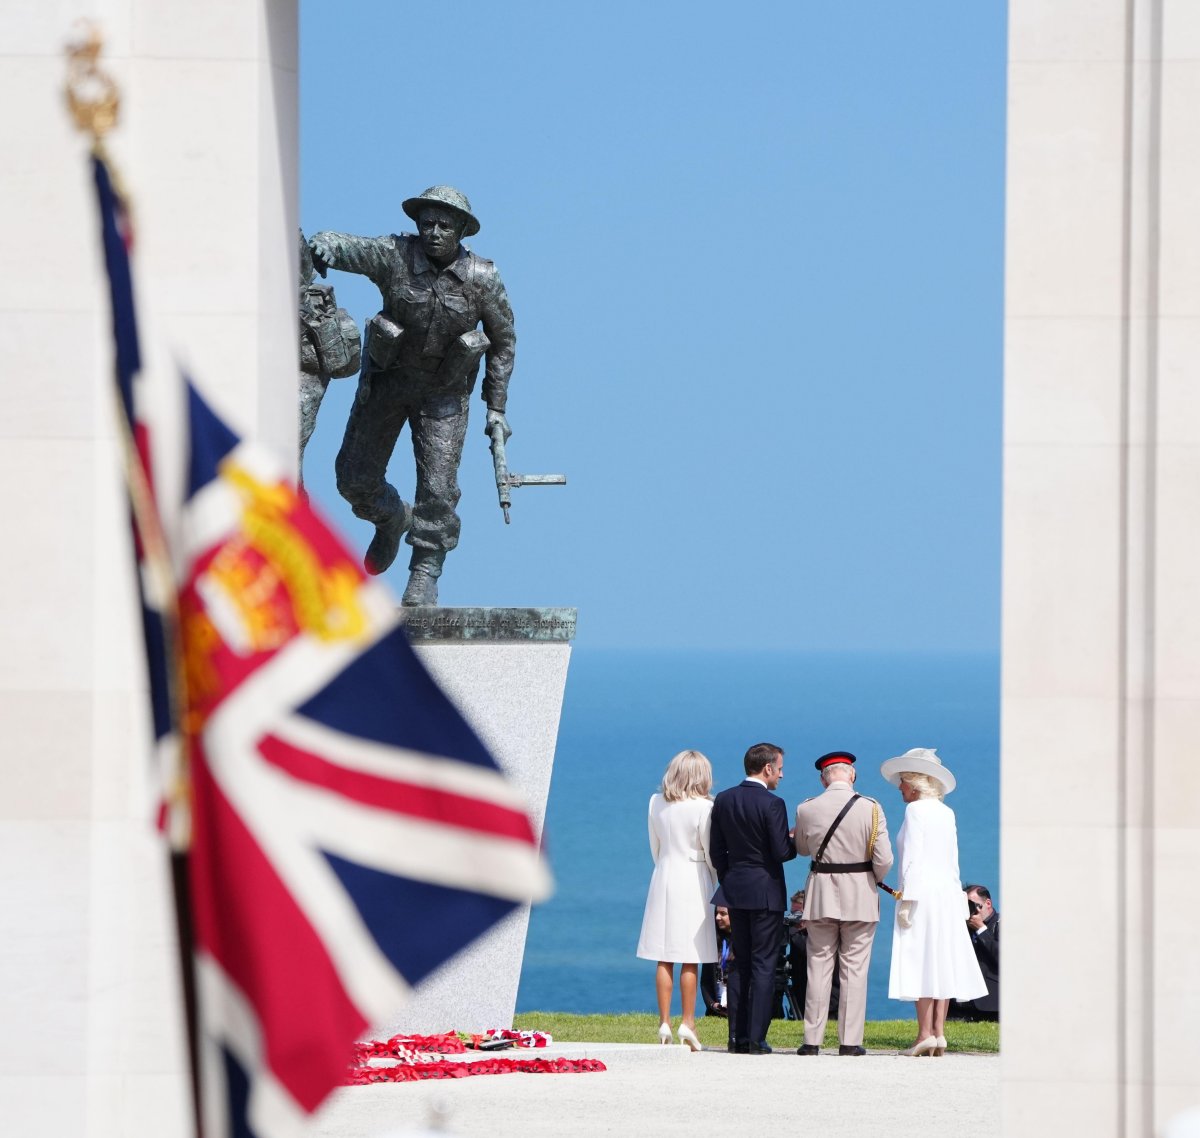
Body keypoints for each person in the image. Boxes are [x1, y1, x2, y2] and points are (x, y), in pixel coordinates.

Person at [308, 186, 516, 603]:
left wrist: (496, 408)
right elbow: (349, 246)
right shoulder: (395, 256)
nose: (434, 232)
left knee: (438, 491)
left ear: (461, 229)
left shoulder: (482, 279)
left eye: (444, 224)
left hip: (444, 394)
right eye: (426, 224)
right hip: (389, 381)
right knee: (354, 479)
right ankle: (391, 519)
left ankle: (425, 571)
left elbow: (504, 341)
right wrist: (326, 244)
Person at [880, 747, 988, 1056]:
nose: (900, 787)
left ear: (914, 783)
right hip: (947, 894)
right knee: (941, 959)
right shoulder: (946, 812)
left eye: (902, 782)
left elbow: (911, 858)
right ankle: (939, 1033)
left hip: (922, 894)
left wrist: (905, 898)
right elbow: (953, 861)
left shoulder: (915, 811)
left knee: (920, 958)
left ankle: (924, 1033)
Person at [793, 751, 893, 1056]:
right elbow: (885, 859)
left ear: (824, 778)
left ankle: (812, 1039)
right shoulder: (871, 808)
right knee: (854, 969)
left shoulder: (807, 808)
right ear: (851, 775)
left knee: (818, 966)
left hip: (821, 892)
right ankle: (849, 1041)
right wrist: (870, 878)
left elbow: (800, 849)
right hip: (860, 894)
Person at [709, 742, 797, 1054]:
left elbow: (716, 851)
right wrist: (794, 841)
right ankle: (757, 1038)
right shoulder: (773, 804)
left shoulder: (724, 799)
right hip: (765, 893)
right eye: (780, 769)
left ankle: (736, 1038)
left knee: (738, 963)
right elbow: (781, 852)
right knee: (763, 965)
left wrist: (729, 880)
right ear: (768, 768)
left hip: (734, 889)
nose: (782, 775)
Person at [635, 750, 719, 1052]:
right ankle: (688, 1020)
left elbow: (654, 848)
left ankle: (663, 1022)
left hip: (664, 875)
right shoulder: (705, 807)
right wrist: (712, 878)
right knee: (690, 954)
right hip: (694, 877)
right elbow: (710, 852)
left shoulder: (655, 803)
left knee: (664, 953)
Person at [782, 889, 839, 1021]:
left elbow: (812, 952)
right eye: (793, 913)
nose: (796, 918)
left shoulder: (824, 933)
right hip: (801, 995)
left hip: (827, 1004)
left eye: (799, 914)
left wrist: (793, 933)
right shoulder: (798, 933)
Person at [948, 883, 1000, 1021]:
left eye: (973, 905)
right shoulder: (961, 927)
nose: (970, 911)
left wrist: (981, 930)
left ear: (987, 903)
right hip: (960, 1005)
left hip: (991, 1006)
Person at [699, 904, 734, 1019]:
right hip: (716, 1010)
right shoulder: (713, 943)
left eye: (723, 914)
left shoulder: (746, 945)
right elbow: (705, 982)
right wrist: (712, 1004)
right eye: (716, 913)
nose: (717, 917)